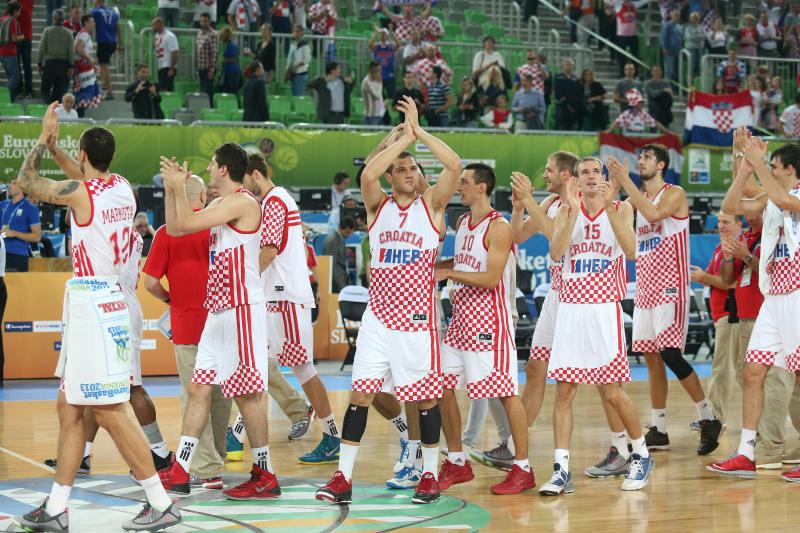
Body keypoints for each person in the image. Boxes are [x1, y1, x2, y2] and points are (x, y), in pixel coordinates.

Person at [14, 104, 181, 531]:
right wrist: (56, 148)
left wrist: (42, 139)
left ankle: (160, 502)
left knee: (108, 408)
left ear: (85, 156)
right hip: (105, 300)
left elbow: (27, 182)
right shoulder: (121, 186)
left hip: (95, 303)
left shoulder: (81, 194)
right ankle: (56, 507)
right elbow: (78, 175)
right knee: (69, 406)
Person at [315, 96, 461, 505]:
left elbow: (453, 166)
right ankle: (343, 477)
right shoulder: (376, 204)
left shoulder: (432, 206)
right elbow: (369, 172)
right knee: (360, 395)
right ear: (392, 175)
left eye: (414, 168)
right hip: (379, 317)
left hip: (417, 320)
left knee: (425, 399)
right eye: (402, 168)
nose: (410, 172)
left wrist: (418, 133)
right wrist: (397, 142)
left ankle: (429, 475)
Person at [156, 143, 278, 500]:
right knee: (199, 389)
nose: (208, 169)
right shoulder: (217, 205)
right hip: (218, 310)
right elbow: (177, 228)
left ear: (224, 169)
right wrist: (170, 190)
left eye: (211, 164)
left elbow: (189, 222)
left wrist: (180, 186)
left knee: (247, 397)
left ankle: (265, 473)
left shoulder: (243, 202)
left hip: (241, 307)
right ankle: (180, 468)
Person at [540, 156, 654, 495]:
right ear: (574, 180)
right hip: (571, 308)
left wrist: (606, 207)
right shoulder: (565, 210)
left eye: (596, 172)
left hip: (604, 308)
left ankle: (641, 455)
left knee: (612, 392)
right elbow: (558, 252)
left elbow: (631, 251)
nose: (591, 177)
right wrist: (572, 211)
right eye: (584, 173)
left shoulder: (620, 209)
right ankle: (561, 469)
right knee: (563, 391)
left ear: (604, 178)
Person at [609, 146, 723, 457]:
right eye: (640, 157)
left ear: (661, 164)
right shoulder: (635, 201)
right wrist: (611, 192)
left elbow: (654, 213)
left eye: (647, 157)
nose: (641, 160)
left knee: (670, 353)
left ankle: (708, 417)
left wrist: (626, 181)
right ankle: (658, 428)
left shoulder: (675, 194)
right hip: (645, 286)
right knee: (651, 357)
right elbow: (629, 243)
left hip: (671, 286)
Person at [435, 163, 536, 495]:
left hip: (489, 324)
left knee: (505, 394)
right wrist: (438, 267)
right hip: (461, 322)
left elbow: (491, 278)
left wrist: (449, 275)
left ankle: (523, 468)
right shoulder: (463, 222)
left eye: (464, 182)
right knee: (440, 386)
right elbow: (465, 263)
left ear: (482, 188)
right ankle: (457, 460)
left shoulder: (500, 227)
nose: (458, 187)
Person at [239, 153, 342, 464]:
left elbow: (269, 251)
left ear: (255, 174)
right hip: (280, 295)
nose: (242, 187)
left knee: (302, 369)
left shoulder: (274, 202)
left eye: (244, 180)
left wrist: (244, 283)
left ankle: (332, 435)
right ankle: (237, 434)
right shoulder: (279, 200)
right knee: (258, 366)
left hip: (284, 296)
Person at [709, 140, 800, 482]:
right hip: (775, 296)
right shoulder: (772, 197)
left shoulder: (792, 194)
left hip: (798, 295)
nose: (770, 173)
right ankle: (747, 453)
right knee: (752, 371)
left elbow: (782, 198)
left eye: (773, 167)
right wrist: (746, 168)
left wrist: (756, 162)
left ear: (789, 169)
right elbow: (733, 205)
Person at [690, 212, 740, 427]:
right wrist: (705, 278)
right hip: (722, 315)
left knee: (724, 369)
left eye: (726, 222)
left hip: (731, 316)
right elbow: (715, 279)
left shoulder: (736, 248)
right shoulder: (720, 248)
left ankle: (714, 419)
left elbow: (732, 284)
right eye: (719, 221)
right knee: (728, 368)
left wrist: (704, 278)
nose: (721, 225)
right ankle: (714, 417)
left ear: (739, 225)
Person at [0, 178, 40, 272]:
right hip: (1, 253)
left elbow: (37, 237)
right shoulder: (3, 205)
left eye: (14, 183)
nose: (10, 186)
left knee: (15, 287)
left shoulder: (30, 208)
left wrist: (15, 233)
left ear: (22, 187)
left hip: (17, 255)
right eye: (10, 183)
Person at [38, 8, 74, 105]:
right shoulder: (69, 33)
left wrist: (39, 62)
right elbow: (71, 51)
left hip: (50, 64)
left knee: (44, 90)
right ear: (63, 18)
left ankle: (50, 108)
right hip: (64, 65)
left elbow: (41, 48)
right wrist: (71, 66)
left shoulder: (47, 31)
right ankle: (56, 112)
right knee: (59, 94)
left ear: (53, 18)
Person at [607, 88, 673, 135]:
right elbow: (617, 122)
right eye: (640, 102)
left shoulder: (643, 114)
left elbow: (655, 123)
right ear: (634, 103)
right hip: (628, 140)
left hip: (639, 139)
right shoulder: (627, 114)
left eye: (641, 102)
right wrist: (609, 131)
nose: (642, 104)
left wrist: (668, 132)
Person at [91, 0, 121, 101]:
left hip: (103, 41)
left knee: (104, 66)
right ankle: (104, 83)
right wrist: (120, 43)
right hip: (113, 42)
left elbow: (90, 25)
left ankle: (109, 92)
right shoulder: (113, 12)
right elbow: (118, 28)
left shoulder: (95, 12)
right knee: (103, 64)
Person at [73, 14, 100, 116]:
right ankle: (79, 115)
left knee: (85, 91)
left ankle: (80, 114)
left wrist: (92, 64)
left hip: (83, 66)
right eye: (92, 21)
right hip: (82, 68)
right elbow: (79, 48)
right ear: (86, 23)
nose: (94, 24)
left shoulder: (83, 34)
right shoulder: (84, 35)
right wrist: (90, 59)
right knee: (84, 91)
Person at [322, 215, 354, 293]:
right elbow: (332, 265)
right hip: (335, 282)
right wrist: (341, 285)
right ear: (340, 228)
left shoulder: (339, 239)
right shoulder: (333, 240)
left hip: (339, 280)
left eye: (350, 233)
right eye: (347, 232)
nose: (348, 235)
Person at [0, 1, 23, 102]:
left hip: (2, 52)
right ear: (15, 11)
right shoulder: (13, 21)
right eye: (19, 11)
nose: (20, 14)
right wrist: (22, 36)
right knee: (15, 78)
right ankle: (3, 97)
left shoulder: (2, 19)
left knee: (11, 77)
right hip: (9, 52)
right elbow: (14, 38)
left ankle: (10, 100)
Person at [370, 27, 400, 103]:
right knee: (379, 95)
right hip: (379, 76)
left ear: (387, 35)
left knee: (392, 96)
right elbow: (370, 45)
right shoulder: (377, 46)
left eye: (384, 34)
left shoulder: (390, 46)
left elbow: (398, 45)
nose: (382, 36)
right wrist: (375, 34)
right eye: (381, 34)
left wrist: (392, 34)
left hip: (390, 75)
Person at [195, 12, 219, 105]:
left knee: (207, 91)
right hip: (200, 67)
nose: (203, 23)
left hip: (208, 68)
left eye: (205, 21)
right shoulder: (199, 33)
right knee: (202, 90)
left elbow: (214, 53)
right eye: (201, 21)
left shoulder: (213, 34)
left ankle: (209, 108)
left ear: (209, 22)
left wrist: (211, 70)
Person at [554, 58, 583, 131]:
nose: (568, 67)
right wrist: (567, 104)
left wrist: (574, 106)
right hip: (562, 107)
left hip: (574, 109)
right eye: (566, 65)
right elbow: (558, 93)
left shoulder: (576, 79)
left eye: (570, 65)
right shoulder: (558, 77)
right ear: (563, 66)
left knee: (573, 128)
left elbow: (578, 93)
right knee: (561, 128)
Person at [151, 17, 178, 93]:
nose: (152, 27)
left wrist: (172, 68)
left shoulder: (170, 36)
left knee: (165, 88)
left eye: (154, 25)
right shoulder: (157, 35)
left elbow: (175, 52)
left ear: (160, 25)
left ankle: (167, 103)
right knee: (162, 87)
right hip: (161, 65)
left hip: (168, 66)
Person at [285, 24, 311, 97]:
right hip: (292, 73)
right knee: (294, 95)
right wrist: (288, 71)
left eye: (297, 31)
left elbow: (307, 59)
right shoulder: (293, 44)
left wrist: (296, 66)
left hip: (300, 73)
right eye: (294, 31)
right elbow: (290, 59)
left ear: (301, 32)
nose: (295, 33)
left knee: (298, 96)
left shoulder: (304, 44)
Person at [659, 10, 683, 86]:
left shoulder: (679, 27)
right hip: (669, 51)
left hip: (678, 52)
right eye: (676, 15)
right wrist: (664, 48)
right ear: (672, 16)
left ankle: (675, 87)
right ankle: (666, 87)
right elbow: (662, 37)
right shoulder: (666, 25)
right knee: (669, 71)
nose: (677, 17)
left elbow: (681, 39)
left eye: (678, 15)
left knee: (677, 71)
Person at [218, 26, 243, 96]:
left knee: (231, 91)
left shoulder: (231, 45)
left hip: (231, 72)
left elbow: (233, 58)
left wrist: (224, 61)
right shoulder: (229, 45)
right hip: (229, 71)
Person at [15, 0, 32, 98]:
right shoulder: (13, 4)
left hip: (25, 39)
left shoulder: (27, 4)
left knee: (27, 66)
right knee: (19, 67)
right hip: (17, 39)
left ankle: (28, 90)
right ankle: (21, 90)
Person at [362, 61, 385, 126]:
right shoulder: (366, 81)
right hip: (371, 116)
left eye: (380, 70)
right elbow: (376, 96)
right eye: (378, 70)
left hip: (379, 115)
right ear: (372, 70)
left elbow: (380, 97)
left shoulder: (375, 81)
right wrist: (380, 83)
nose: (380, 72)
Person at [685, 12, 705, 79]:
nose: (695, 20)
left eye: (696, 18)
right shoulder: (688, 28)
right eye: (693, 18)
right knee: (691, 66)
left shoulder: (701, 27)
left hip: (699, 49)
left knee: (700, 66)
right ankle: (690, 83)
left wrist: (695, 36)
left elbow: (704, 36)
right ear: (691, 19)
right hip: (691, 49)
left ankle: (698, 81)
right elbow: (689, 37)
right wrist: (698, 37)